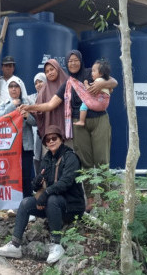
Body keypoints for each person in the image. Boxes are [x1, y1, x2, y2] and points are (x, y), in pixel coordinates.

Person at [20, 51, 117, 212]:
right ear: (66, 63)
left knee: (102, 160)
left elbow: (113, 82)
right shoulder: (67, 84)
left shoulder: (90, 73)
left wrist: (102, 84)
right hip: (78, 123)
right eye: (70, 61)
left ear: (80, 60)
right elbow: (50, 105)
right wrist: (29, 107)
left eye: (75, 60)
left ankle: (105, 200)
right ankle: (91, 199)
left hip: (99, 119)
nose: (73, 63)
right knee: (85, 163)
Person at [0, 125, 85, 264]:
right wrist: (36, 183)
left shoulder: (70, 157)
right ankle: (15, 245)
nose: (51, 142)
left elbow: (66, 182)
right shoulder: (47, 158)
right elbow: (40, 182)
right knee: (26, 203)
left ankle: (56, 244)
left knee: (52, 199)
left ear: (61, 139)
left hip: (71, 206)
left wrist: (46, 193)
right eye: (47, 140)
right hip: (52, 205)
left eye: (54, 138)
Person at [0, 77, 36, 198]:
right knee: (11, 175)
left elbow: (35, 122)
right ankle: (13, 204)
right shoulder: (4, 104)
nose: (14, 89)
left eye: (16, 86)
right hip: (10, 146)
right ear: (8, 89)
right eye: (11, 86)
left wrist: (27, 116)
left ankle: (27, 204)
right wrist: (11, 106)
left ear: (20, 88)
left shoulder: (28, 103)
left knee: (25, 176)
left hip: (26, 146)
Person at [73, 59, 111, 127]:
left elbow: (90, 90)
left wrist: (86, 84)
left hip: (98, 103)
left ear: (101, 73)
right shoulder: (106, 81)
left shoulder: (98, 81)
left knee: (84, 105)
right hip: (105, 104)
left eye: (94, 71)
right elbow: (111, 90)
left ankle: (81, 121)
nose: (91, 73)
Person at [29, 73, 47, 175]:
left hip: (48, 134)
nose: (38, 85)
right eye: (36, 83)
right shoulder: (31, 98)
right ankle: (39, 188)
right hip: (36, 135)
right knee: (36, 160)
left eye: (40, 81)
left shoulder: (52, 97)